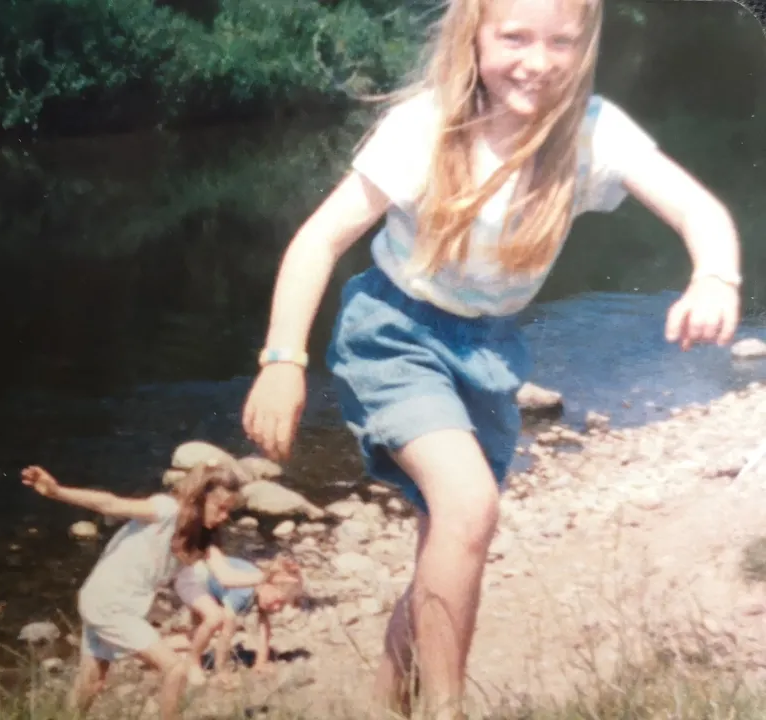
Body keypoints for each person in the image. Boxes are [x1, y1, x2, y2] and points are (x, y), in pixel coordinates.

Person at [240, 0, 743, 715]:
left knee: (448, 546)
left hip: (492, 354)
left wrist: (714, 275)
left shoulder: (591, 130)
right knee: (469, 508)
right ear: (472, 34)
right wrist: (283, 360)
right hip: (395, 333)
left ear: (584, 44)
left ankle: (389, 704)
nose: (537, 62)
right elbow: (317, 241)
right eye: (514, 37)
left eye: (560, 41)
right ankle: (448, 709)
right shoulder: (424, 126)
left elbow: (700, 211)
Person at [20, 461, 266, 720]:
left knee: (91, 683)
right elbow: (111, 503)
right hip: (109, 602)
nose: (224, 516)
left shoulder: (203, 535)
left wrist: (265, 575)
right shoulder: (167, 509)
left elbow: (225, 575)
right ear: (201, 498)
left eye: (229, 510)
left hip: (115, 603)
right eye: (221, 508)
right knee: (175, 669)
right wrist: (57, 491)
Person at [173, 554, 304, 684]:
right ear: (267, 585)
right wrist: (221, 669)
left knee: (198, 637)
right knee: (216, 620)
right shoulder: (245, 591)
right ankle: (194, 663)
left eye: (282, 605)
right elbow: (227, 629)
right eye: (277, 600)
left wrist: (261, 662)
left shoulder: (260, 590)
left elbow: (264, 628)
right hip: (193, 579)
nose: (276, 608)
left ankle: (162, 649)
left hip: (205, 584)